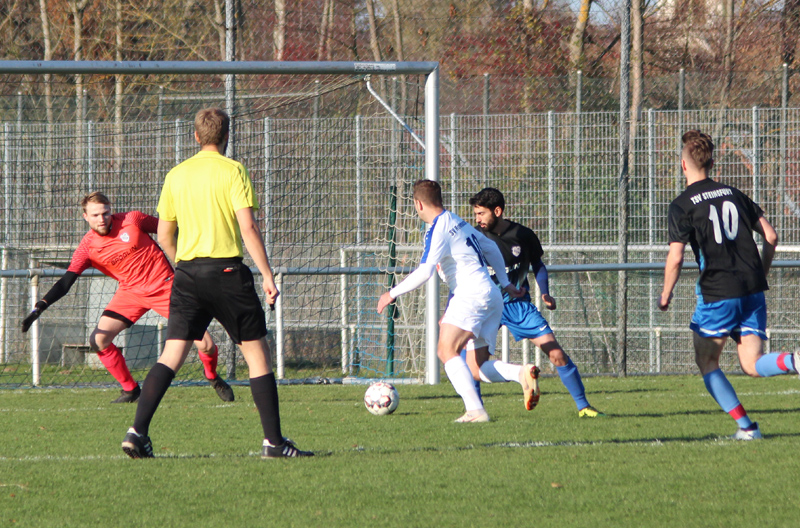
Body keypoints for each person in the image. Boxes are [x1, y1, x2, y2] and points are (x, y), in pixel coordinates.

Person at [121, 108, 312, 459]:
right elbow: (248, 228)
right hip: (227, 274)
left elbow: (164, 234)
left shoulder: (176, 175)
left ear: (196, 136)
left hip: (188, 275)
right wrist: (268, 276)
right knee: (257, 354)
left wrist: (184, 263)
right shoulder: (233, 170)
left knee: (172, 355)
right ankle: (273, 441)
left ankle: (137, 432)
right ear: (225, 137)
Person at [21, 192, 233, 404]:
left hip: (165, 288)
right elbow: (65, 283)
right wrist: (40, 306)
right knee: (98, 339)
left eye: (105, 213)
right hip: (130, 293)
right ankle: (130, 389)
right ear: (85, 216)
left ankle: (212, 376)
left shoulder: (133, 220)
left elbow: (170, 230)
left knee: (205, 344)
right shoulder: (87, 248)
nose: (101, 219)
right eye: (95, 215)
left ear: (111, 209)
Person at [658, 130, 799, 440]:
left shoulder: (682, 205)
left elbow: (676, 258)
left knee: (706, 360)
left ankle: (748, 428)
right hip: (752, 289)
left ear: (684, 165)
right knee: (751, 363)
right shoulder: (733, 193)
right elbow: (772, 236)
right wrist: (760, 271)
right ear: (712, 161)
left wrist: (666, 294)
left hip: (719, 292)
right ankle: (794, 361)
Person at [377, 179, 524, 423]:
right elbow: (491, 248)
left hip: (471, 294)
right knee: (476, 367)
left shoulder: (438, 228)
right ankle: (521, 373)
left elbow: (425, 272)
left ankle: (476, 411)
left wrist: (391, 293)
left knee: (446, 351)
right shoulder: (457, 220)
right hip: (491, 294)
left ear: (418, 203)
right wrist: (506, 282)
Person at [464, 187, 604, 418]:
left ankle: (584, 407)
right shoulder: (474, 238)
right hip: (487, 306)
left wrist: (545, 293)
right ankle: (474, 409)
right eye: (475, 213)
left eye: (481, 213)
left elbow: (538, 265)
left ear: (497, 211)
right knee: (470, 358)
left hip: (518, 305)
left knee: (556, 353)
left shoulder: (523, 235)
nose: (477, 219)